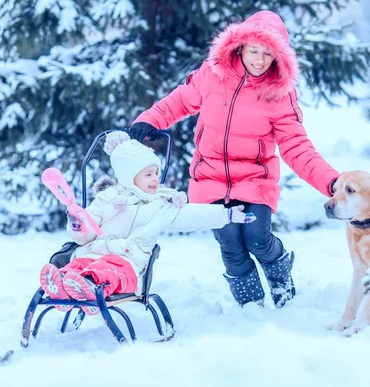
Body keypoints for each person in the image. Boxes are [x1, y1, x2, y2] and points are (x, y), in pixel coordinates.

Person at [129, 11, 339, 308]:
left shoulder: (279, 94)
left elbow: (296, 146)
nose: (260, 59)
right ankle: (251, 307)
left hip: (254, 180)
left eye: (268, 53)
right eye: (254, 50)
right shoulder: (213, 73)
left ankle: (280, 277)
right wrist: (149, 120)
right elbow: (179, 101)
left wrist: (331, 181)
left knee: (257, 238)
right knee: (230, 244)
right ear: (240, 46)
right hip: (210, 178)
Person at [39, 131, 255, 315]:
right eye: (148, 174)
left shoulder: (161, 204)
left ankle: (89, 286)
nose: (154, 179)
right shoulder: (107, 198)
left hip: (128, 260)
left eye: (156, 174)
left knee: (108, 271)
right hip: (94, 250)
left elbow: (191, 215)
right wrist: (78, 226)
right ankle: (64, 283)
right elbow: (87, 231)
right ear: (128, 176)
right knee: (78, 263)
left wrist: (225, 215)